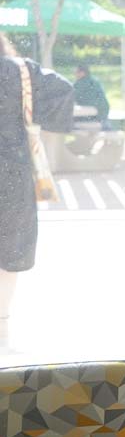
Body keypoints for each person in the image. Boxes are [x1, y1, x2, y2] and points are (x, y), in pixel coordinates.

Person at [0, 32, 73, 328]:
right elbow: (63, 89)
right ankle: (2, 316)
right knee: (10, 248)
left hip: (13, 173)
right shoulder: (21, 71)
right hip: (12, 173)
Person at [72, 64, 110, 128]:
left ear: (82, 73)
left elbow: (72, 97)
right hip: (104, 108)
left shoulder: (79, 83)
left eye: (76, 72)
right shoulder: (94, 80)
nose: (74, 74)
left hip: (93, 111)